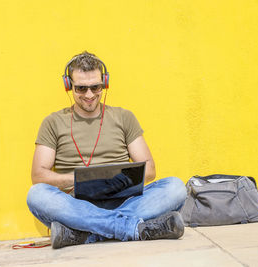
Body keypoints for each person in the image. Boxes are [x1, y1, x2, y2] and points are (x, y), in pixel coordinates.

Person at [27, 51, 187, 249]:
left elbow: (151, 169)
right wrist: (80, 179)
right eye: (81, 88)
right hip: (77, 206)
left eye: (95, 87)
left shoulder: (124, 117)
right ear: (68, 86)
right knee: (37, 195)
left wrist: (117, 180)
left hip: (125, 201)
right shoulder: (52, 122)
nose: (89, 95)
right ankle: (134, 228)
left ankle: (86, 235)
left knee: (176, 188)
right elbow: (38, 175)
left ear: (105, 83)